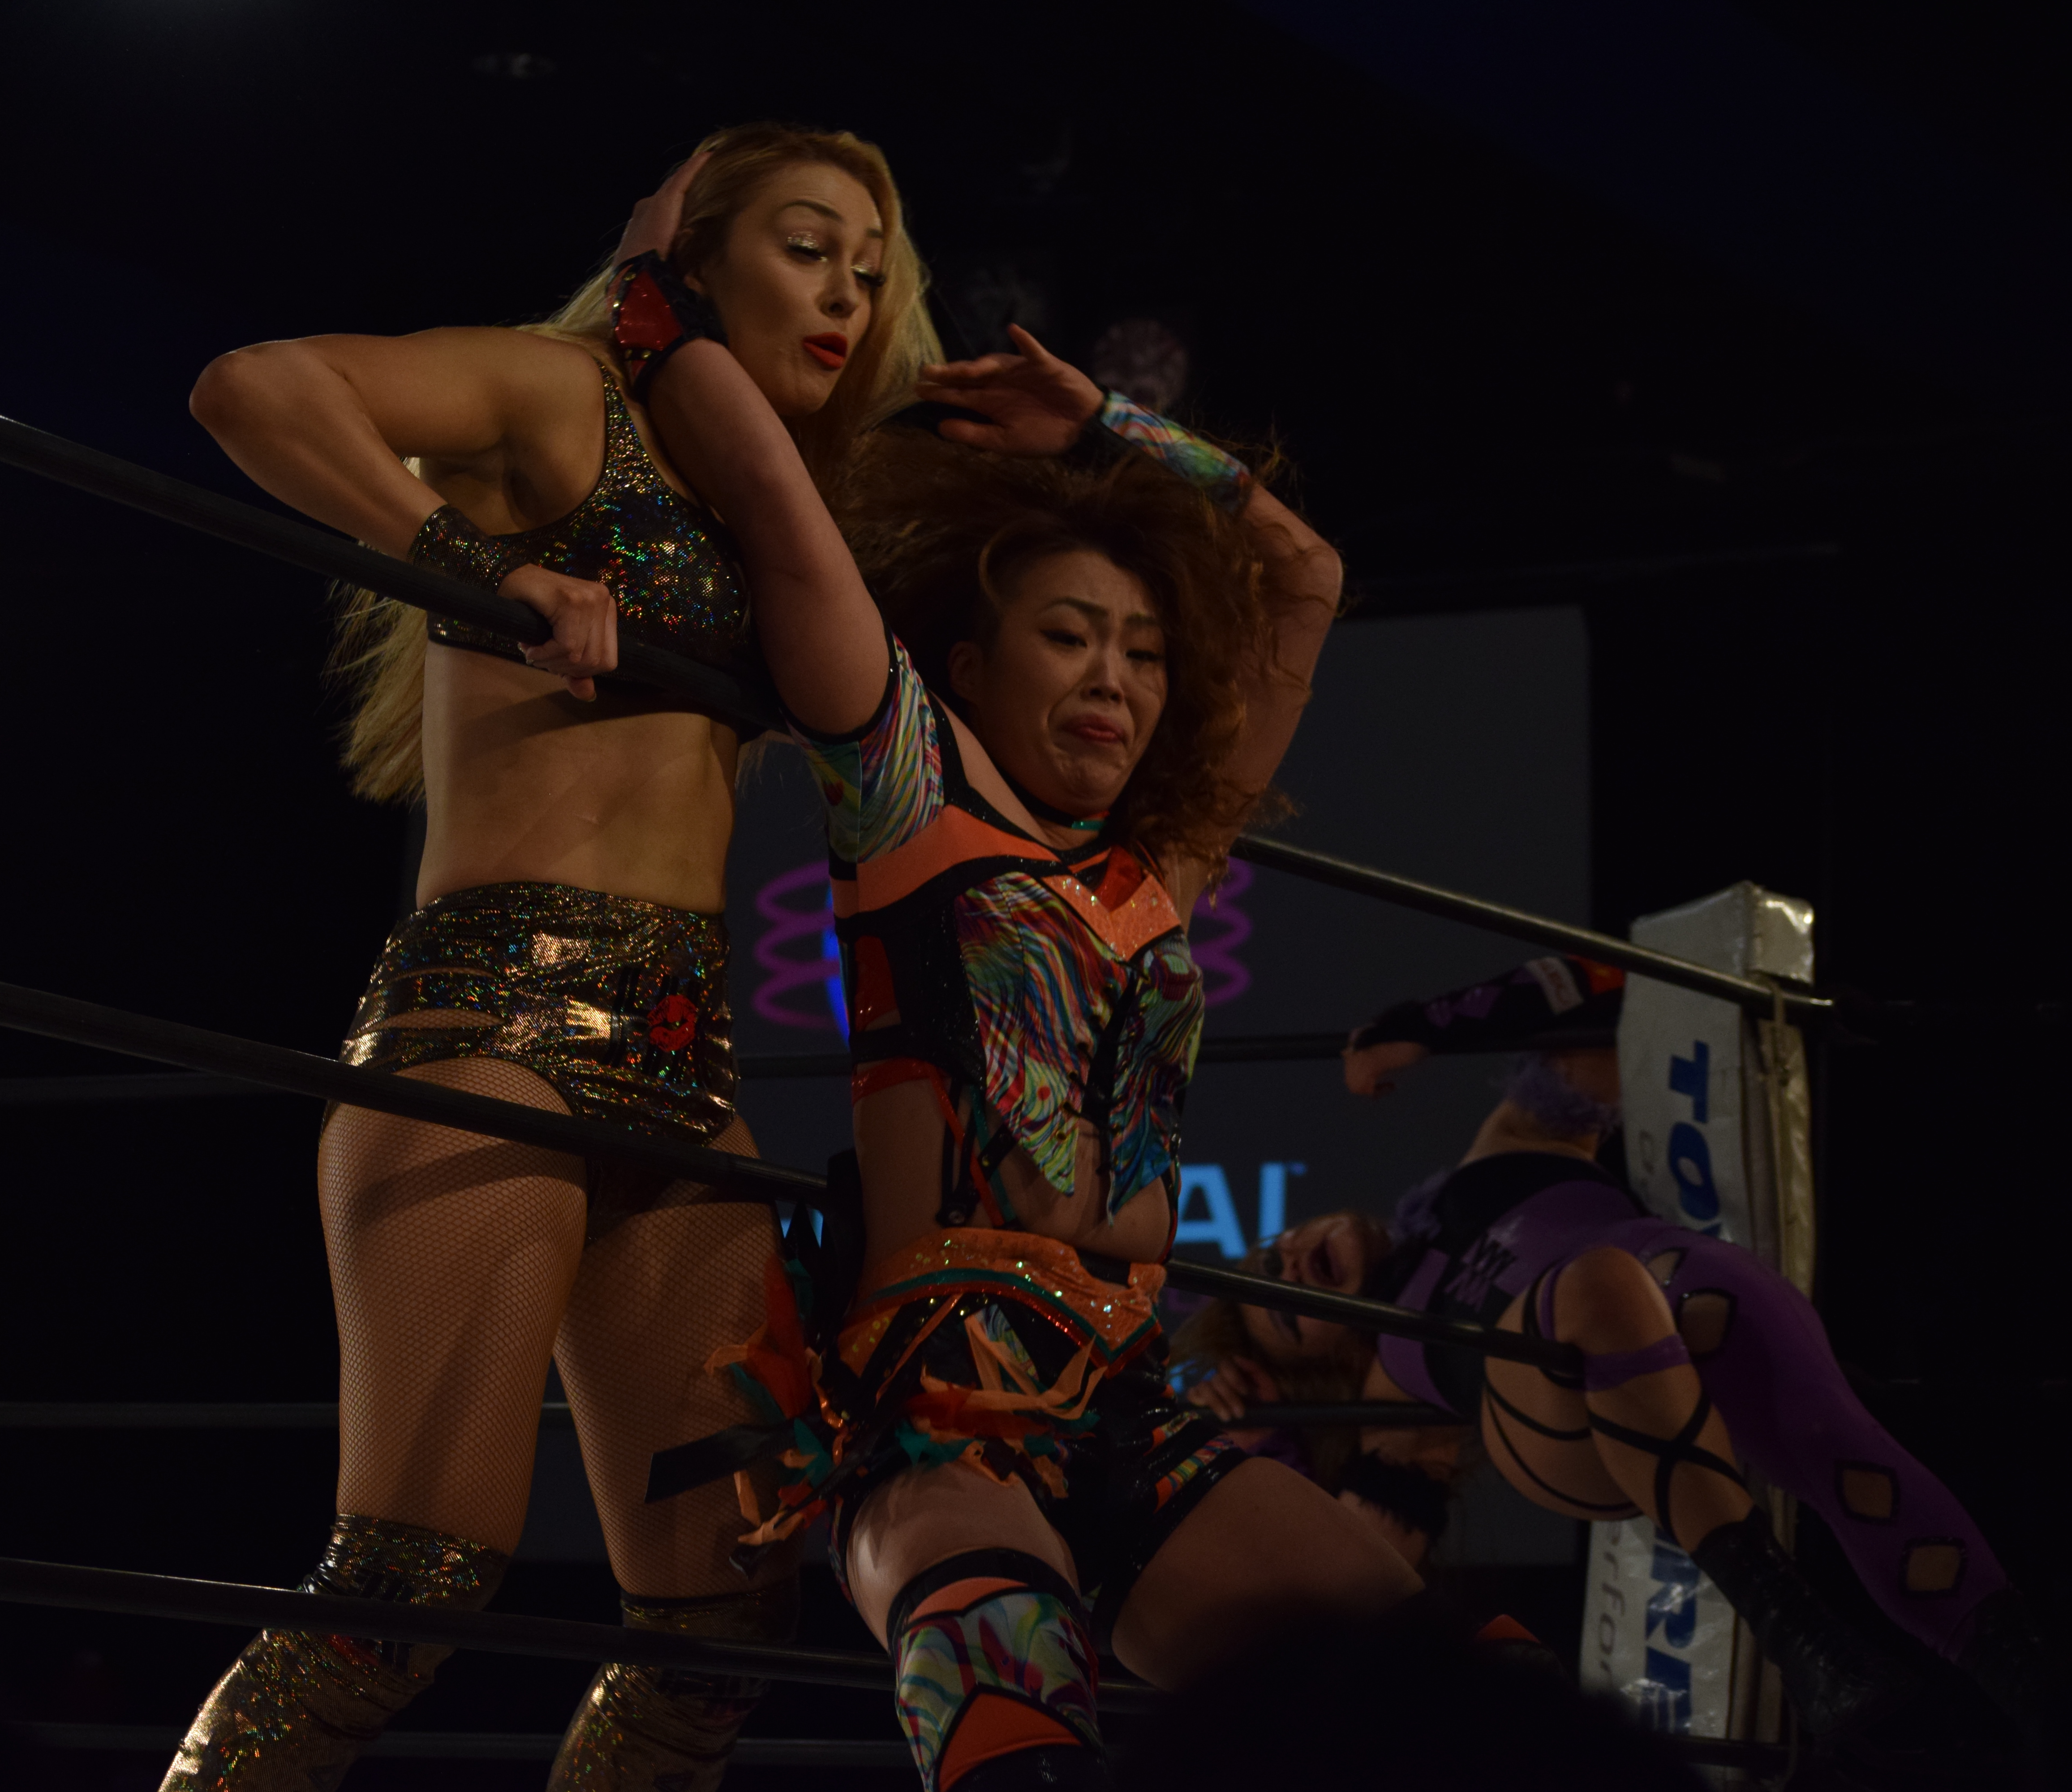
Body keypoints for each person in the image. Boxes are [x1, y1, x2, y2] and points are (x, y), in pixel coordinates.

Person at [158, 125, 941, 1792]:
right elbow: (252, 387)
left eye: (872, 274)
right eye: (809, 247)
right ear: (697, 257)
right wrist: (485, 570)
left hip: (685, 1064)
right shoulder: (558, 390)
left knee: (721, 1636)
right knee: (403, 1593)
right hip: (489, 1022)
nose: (847, 297)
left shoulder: (774, 497)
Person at [622, 216, 1418, 1791]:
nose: (1115, 678)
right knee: (1011, 1720)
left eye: (1143, 652)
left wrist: (1109, 428)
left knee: (1455, 1707)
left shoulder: (1157, 873)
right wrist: (658, 297)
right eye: (1069, 636)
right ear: (969, 669)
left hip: (1136, 1410)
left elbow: (1305, 576)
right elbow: (780, 511)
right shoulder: (914, 809)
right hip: (938, 1421)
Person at [1181, 956, 2066, 1765]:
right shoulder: (1390, 1391)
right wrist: (1249, 1452)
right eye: (1288, 1312)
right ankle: (1796, 1629)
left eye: (1270, 1256)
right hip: (1560, 1413)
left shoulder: (1500, 1151)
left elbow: (1604, 986)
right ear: (1327, 1362)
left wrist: (1428, 1024)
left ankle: (2034, 1684)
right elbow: (1349, 1580)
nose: (1289, 1265)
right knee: (1603, 1281)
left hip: (1680, 1295)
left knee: (1826, 1428)